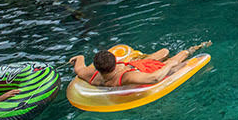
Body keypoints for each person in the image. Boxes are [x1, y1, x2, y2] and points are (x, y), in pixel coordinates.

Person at [71, 42, 211, 88]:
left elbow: (80, 68)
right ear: (115, 63)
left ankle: (167, 56)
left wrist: (79, 58)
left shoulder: (91, 76)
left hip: (137, 64)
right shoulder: (126, 77)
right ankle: (194, 48)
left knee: (164, 51)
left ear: (96, 67)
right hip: (142, 69)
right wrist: (170, 64)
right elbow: (154, 78)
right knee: (174, 59)